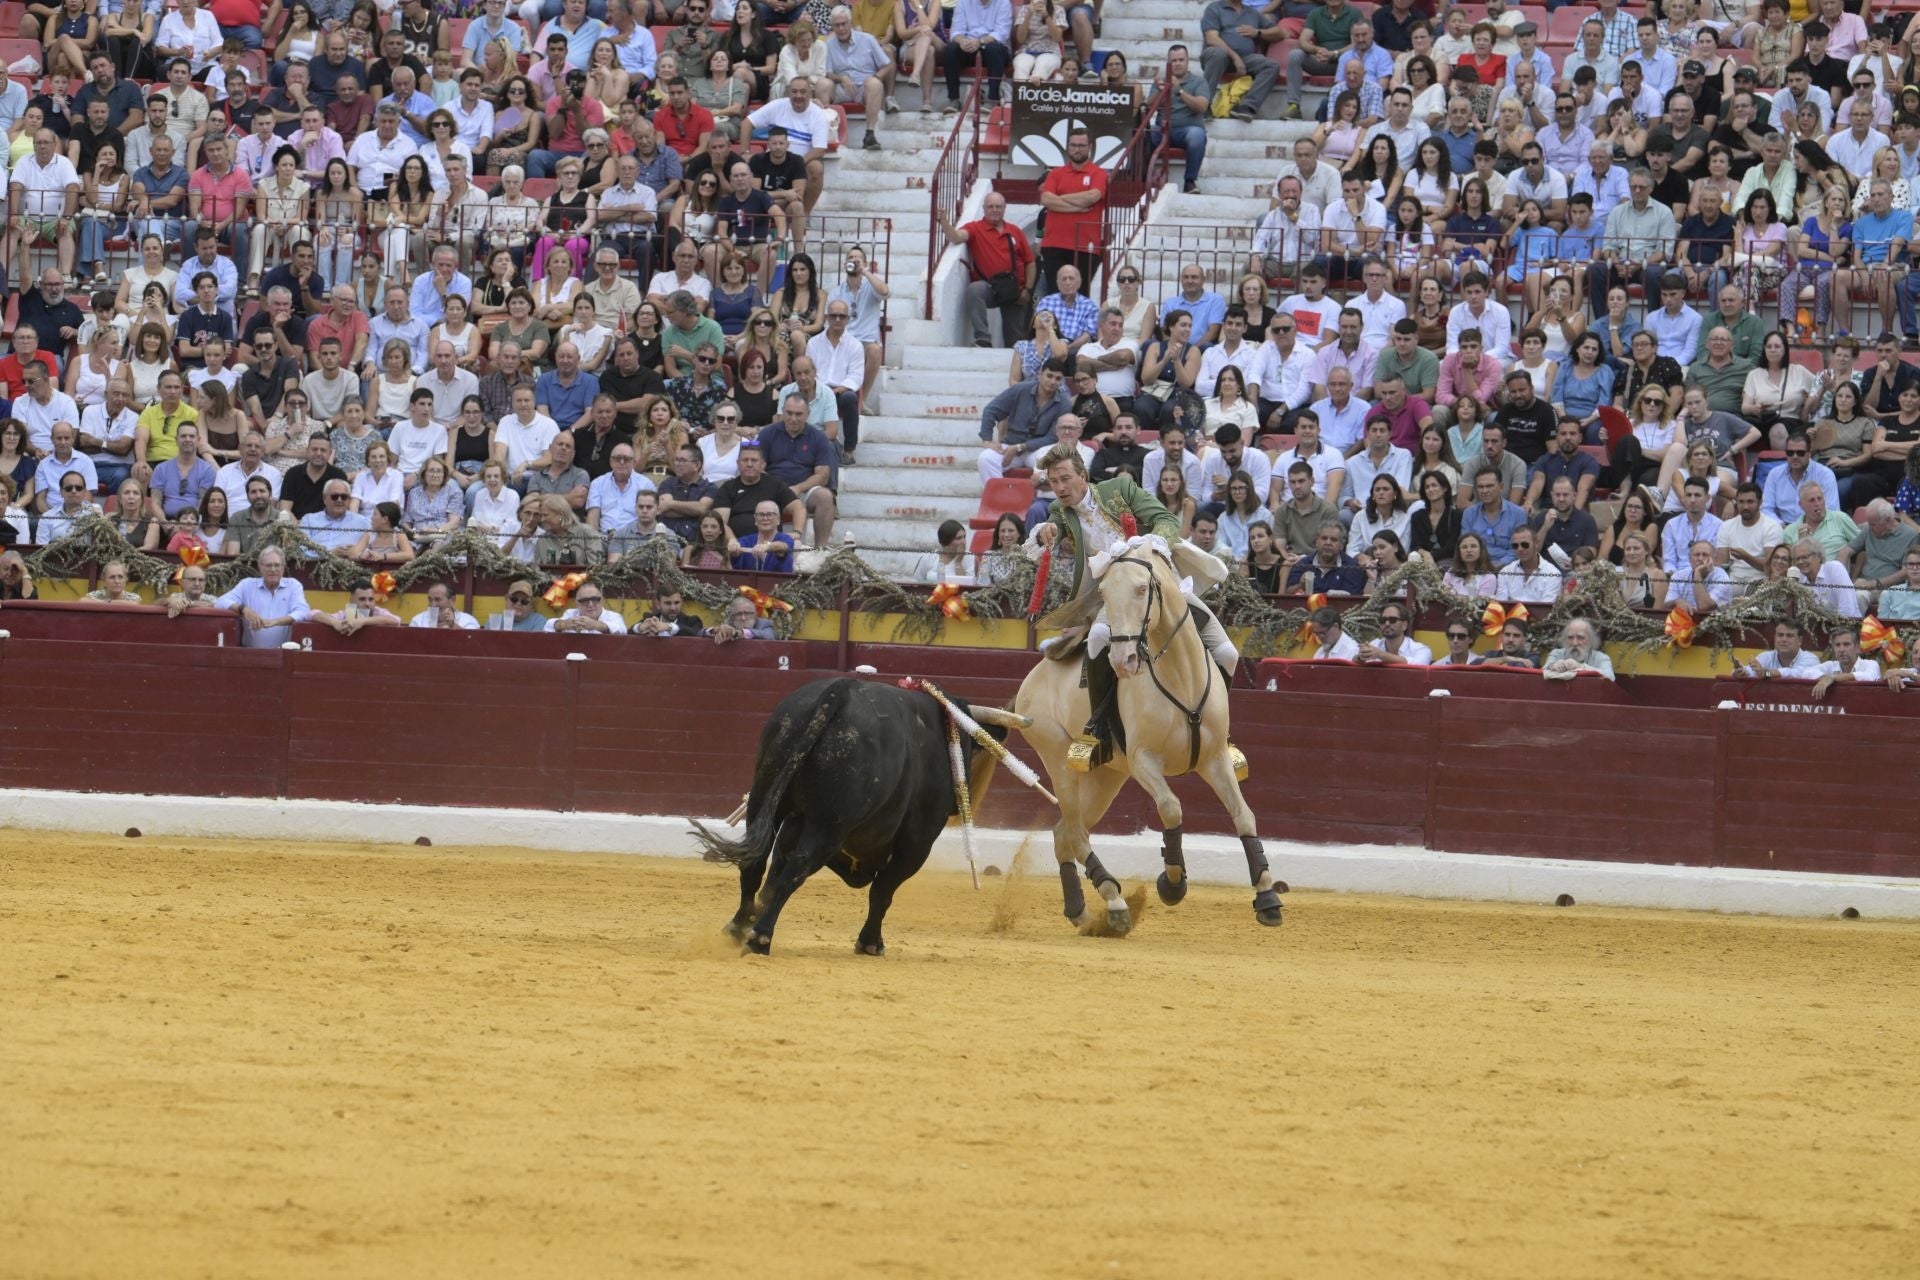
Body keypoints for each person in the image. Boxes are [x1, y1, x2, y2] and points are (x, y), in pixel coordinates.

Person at [1026, 440, 1236, 761]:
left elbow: (1166, 520)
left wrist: (1153, 544)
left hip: (1160, 586)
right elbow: (1052, 523)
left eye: (1065, 478)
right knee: (1097, 637)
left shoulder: (1120, 489)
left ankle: (1221, 733)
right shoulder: (1062, 512)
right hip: (1115, 600)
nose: (1060, 487)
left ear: (1083, 475)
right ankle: (1099, 727)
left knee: (1227, 653)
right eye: (1053, 481)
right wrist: (1045, 532)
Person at [215, 545, 310, 647]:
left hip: (283, 655)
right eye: (268, 565)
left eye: (277, 565)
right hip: (250, 654)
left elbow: (303, 611)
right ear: (260, 567)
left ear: (283, 568)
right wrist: (244, 609)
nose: (273, 569)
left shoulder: (293, 585)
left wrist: (274, 622)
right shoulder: (247, 585)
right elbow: (220, 602)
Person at [1542, 617, 1615, 681]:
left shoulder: (1601, 658)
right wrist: (1553, 666)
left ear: (1590, 640)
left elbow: (1610, 677)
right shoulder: (1557, 654)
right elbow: (1543, 670)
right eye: (1570, 637)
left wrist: (1581, 667)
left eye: (1580, 637)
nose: (1574, 643)